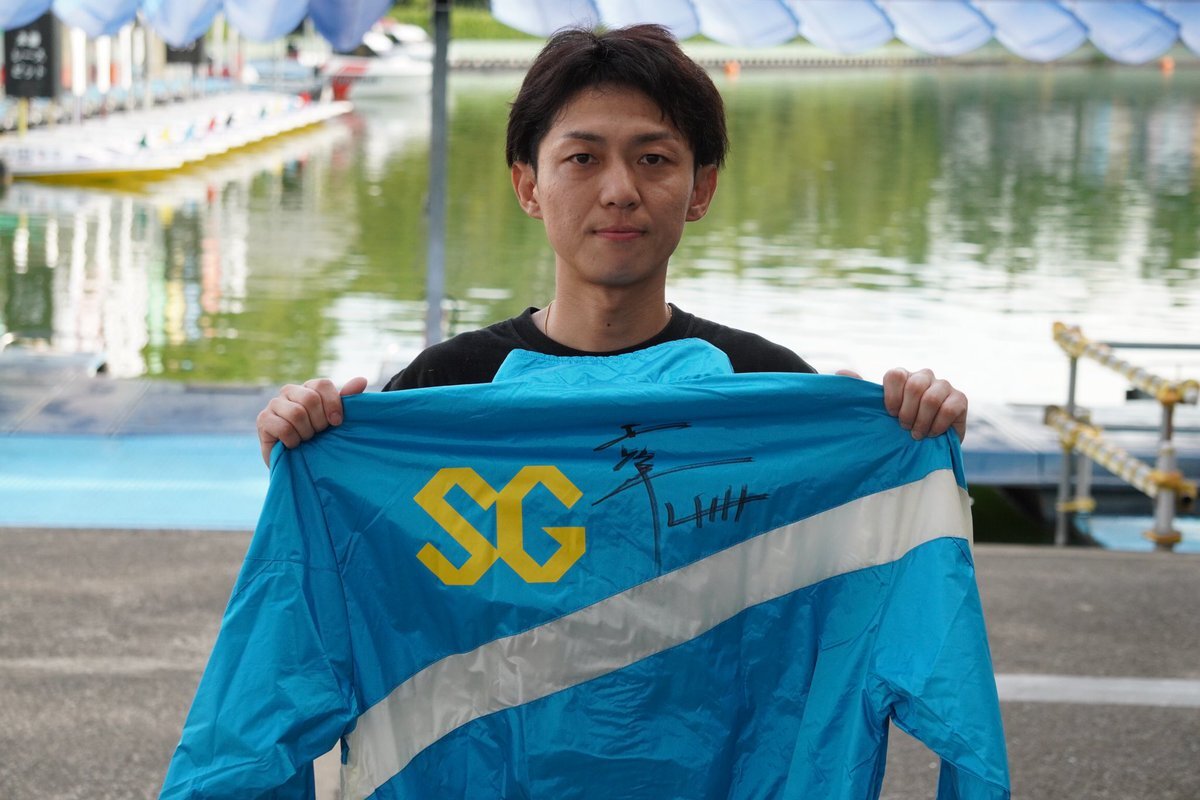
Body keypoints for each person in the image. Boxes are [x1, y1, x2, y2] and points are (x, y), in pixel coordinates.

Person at [255, 24, 967, 467]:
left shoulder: (762, 386)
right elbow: (356, 570)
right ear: (529, 185)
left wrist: (909, 438)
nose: (620, 190)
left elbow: (851, 578)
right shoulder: (444, 386)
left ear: (701, 189)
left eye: (654, 159)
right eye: (583, 159)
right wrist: (305, 447)